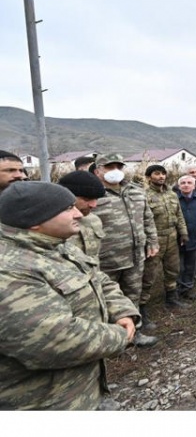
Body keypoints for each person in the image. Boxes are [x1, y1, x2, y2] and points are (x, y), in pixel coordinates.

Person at [0, 181, 138, 409]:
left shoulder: (56, 245)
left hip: (80, 389)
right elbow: (53, 340)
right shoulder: (10, 270)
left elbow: (98, 278)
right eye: (67, 209)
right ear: (34, 222)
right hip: (43, 403)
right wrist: (121, 336)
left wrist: (123, 311)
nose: (79, 214)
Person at [93, 153, 159, 347]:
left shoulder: (136, 192)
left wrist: (152, 241)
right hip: (105, 258)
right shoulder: (92, 194)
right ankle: (109, 339)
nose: (115, 171)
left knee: (132, 294)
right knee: (103, 299)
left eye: (118, 167)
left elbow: (148, 218)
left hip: (135, 254)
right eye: (109, 167)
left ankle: (134, 334)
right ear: (98, 171)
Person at [141, 164, 189, 311]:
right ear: (149, 177)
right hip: (154, 240)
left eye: (163, 173)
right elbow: (141, 220)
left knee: (173, 270)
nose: (161, 176)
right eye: (157, 174)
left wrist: (183, 233)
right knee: (149, 275)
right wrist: (148, 241)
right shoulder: (143, 196)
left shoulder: (172, 194)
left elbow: (179, 215)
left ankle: (171, 299)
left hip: (172, 238)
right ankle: (142, 307)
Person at [58, 170, 107, 260]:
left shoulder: (94, 220)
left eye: (96, 199)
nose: (94, 205)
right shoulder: (49, 225)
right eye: (86, 199)